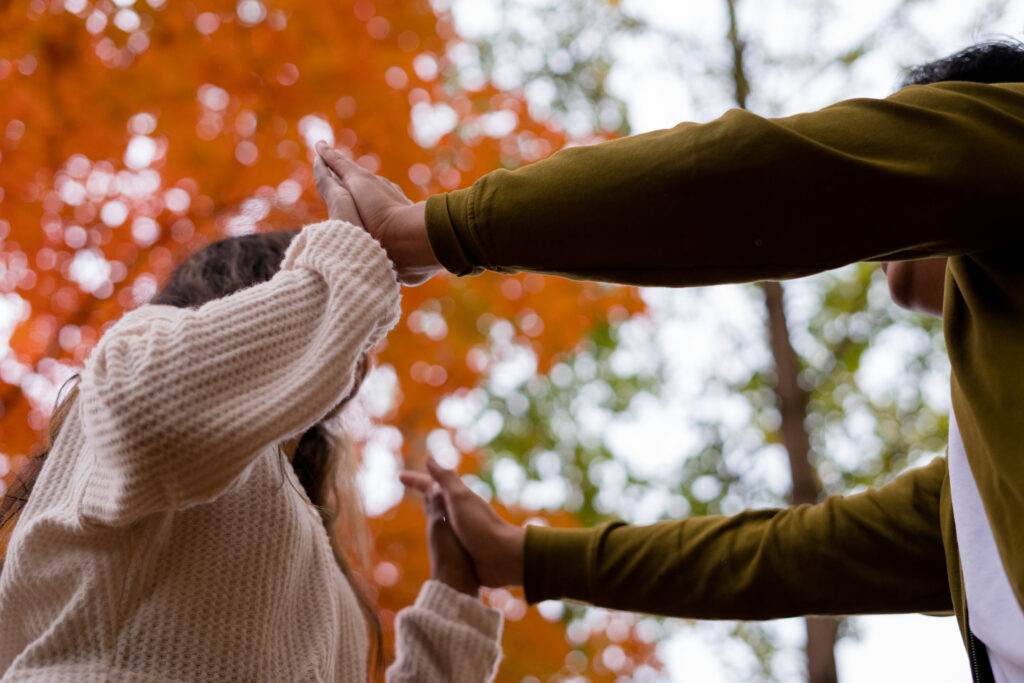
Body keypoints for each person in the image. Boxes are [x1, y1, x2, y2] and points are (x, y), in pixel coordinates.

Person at [316, 40, 1024, 682]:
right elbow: (782, 556)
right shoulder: (981, 477)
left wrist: (426, 231)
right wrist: (521, 556)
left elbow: (753, 178)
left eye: (910, 135)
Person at [0, 156, 503, 682]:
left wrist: (453, 601)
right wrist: (344, 267)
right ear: (256, 294)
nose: (358, 346)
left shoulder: (310, 557)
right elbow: (151, 414)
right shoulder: (135, 364)